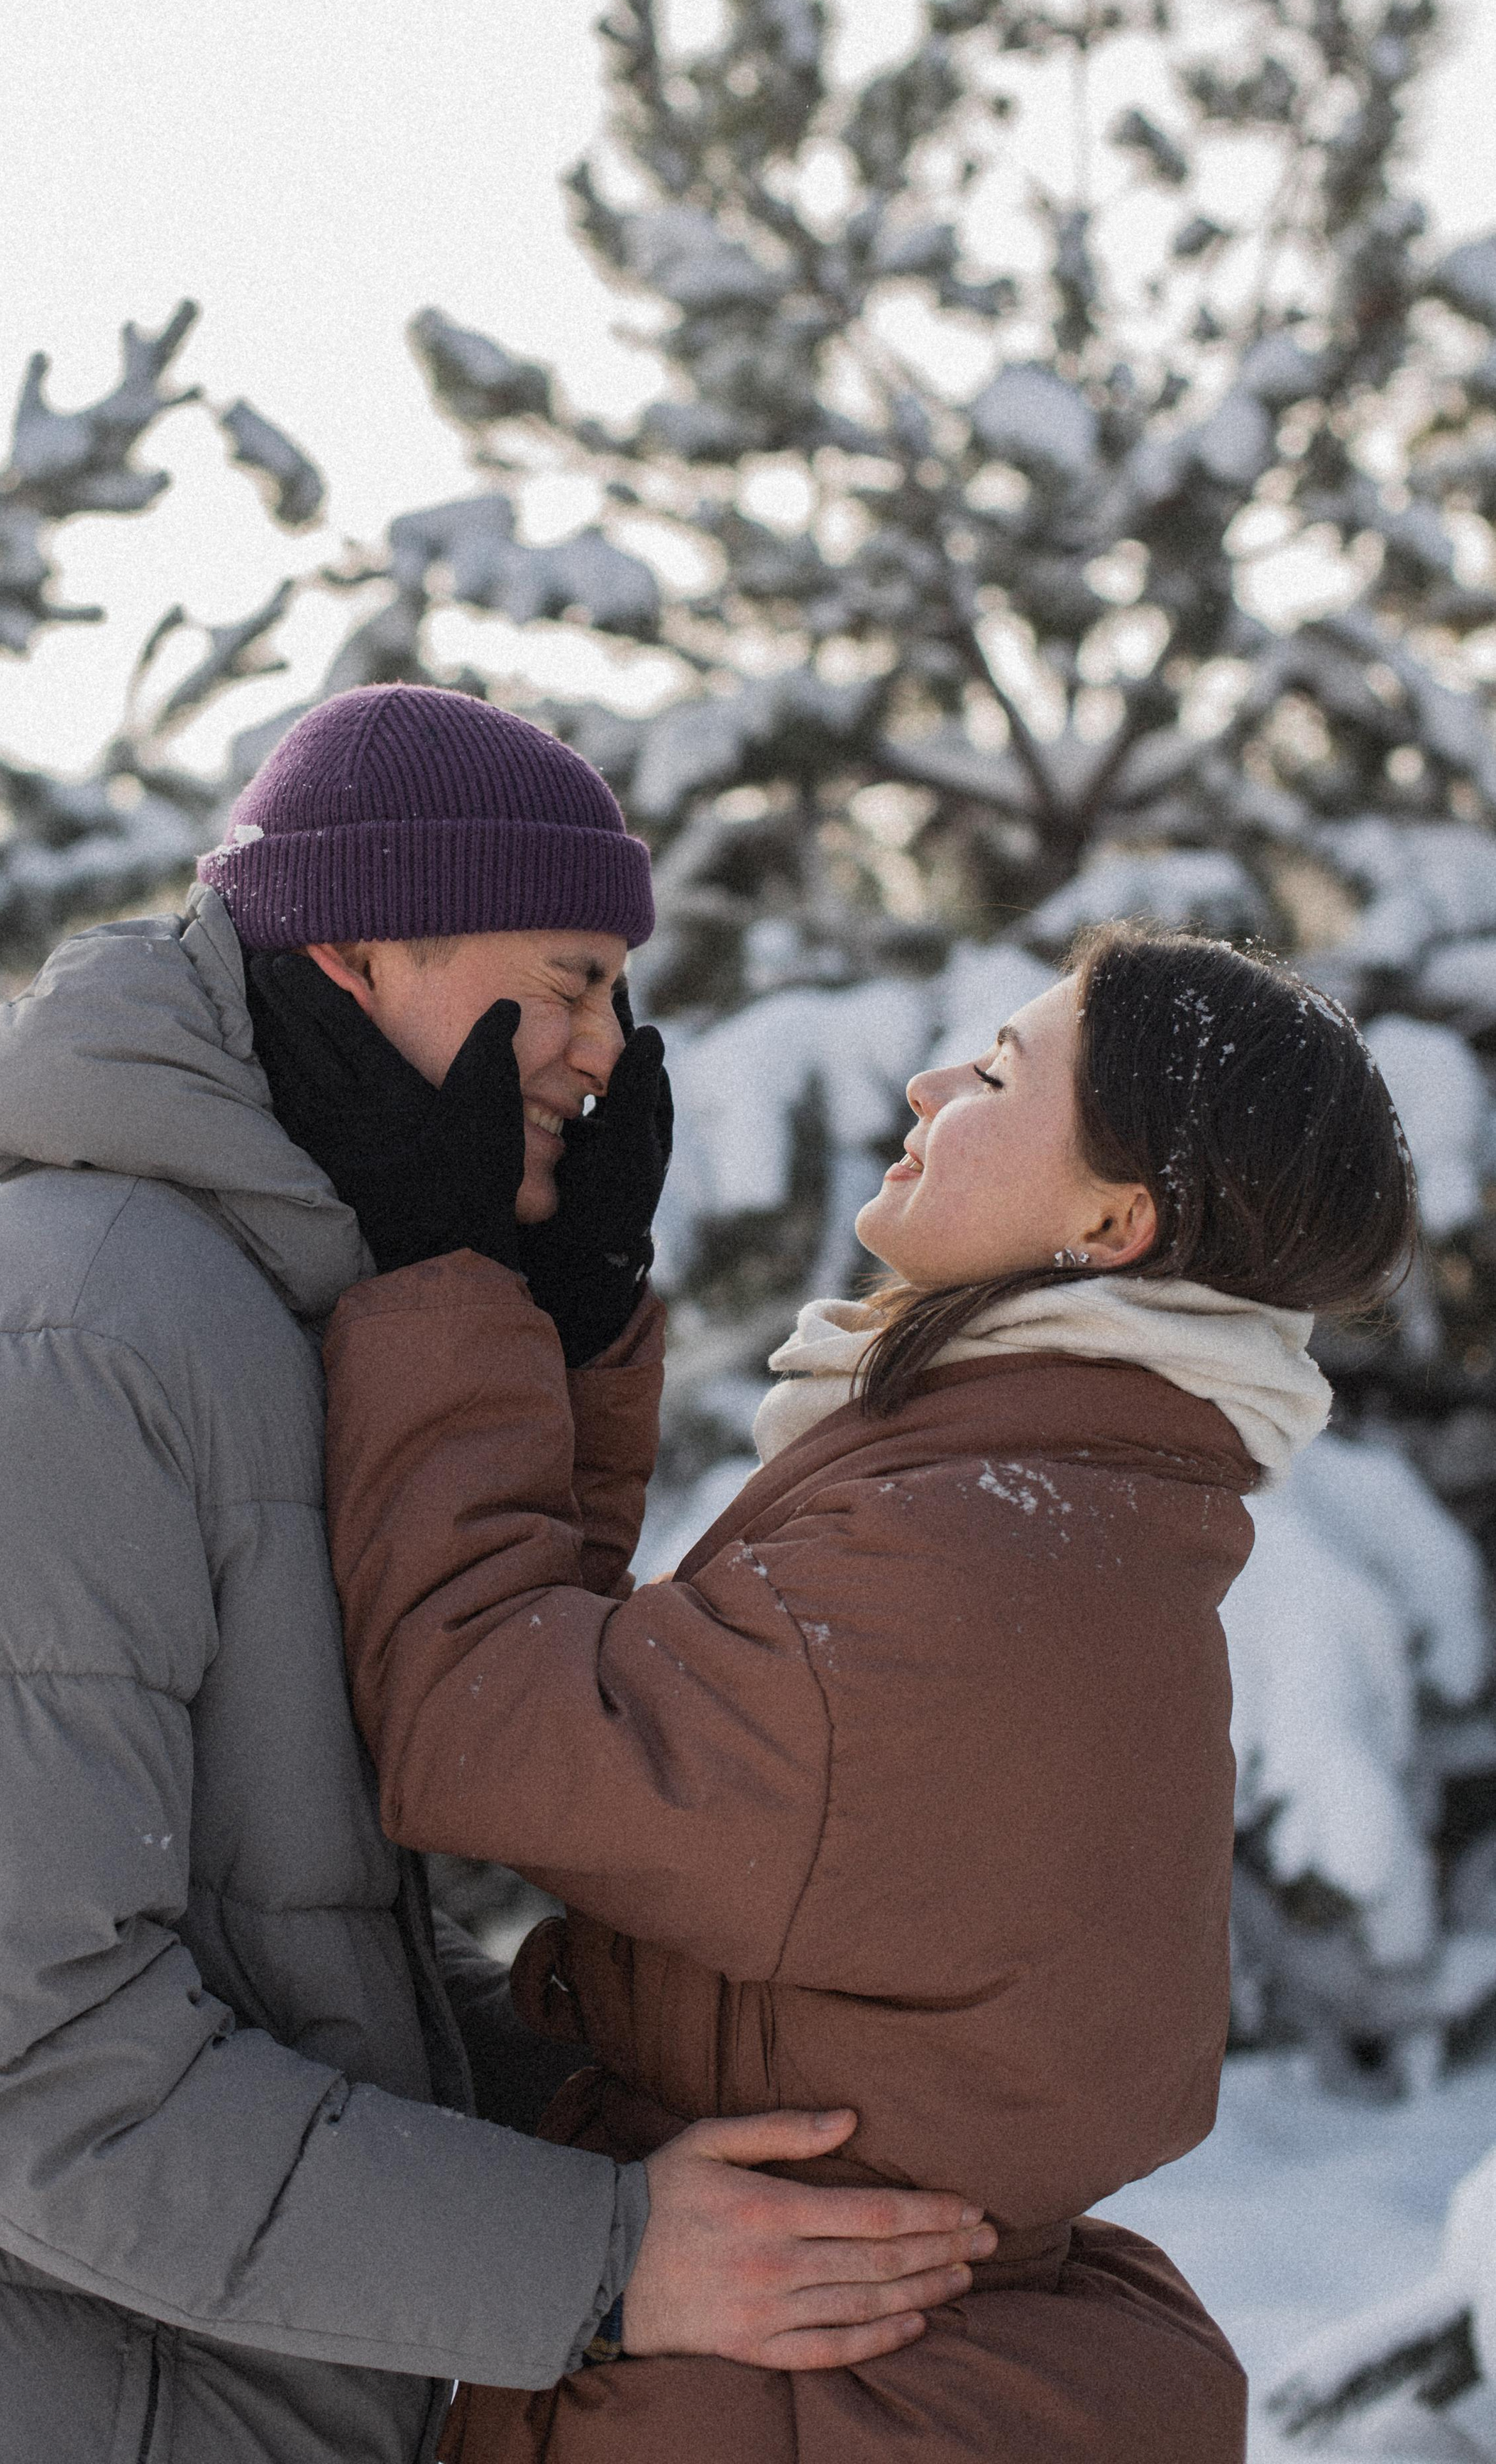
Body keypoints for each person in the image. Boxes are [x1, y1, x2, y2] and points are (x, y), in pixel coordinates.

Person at [0, 684, 986, 2464]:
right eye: (568, 977)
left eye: (620, 988)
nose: (606, 1049)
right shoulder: (58, 1349)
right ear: (357, 959)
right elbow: (22, 2067)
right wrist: (601, 2258)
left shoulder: (258, 1328)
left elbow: (339, 1906)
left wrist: (556, 1335)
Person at [315, 923, 1418, 2464]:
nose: (921, 1085)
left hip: (792, 2402)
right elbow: (596, 1693)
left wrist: (456, 1286)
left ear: (1111, 1220)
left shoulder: (976, 1559)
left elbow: (481, 1721)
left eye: (993, 1072)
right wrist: (569, 1329)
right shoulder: (1047, 1495)